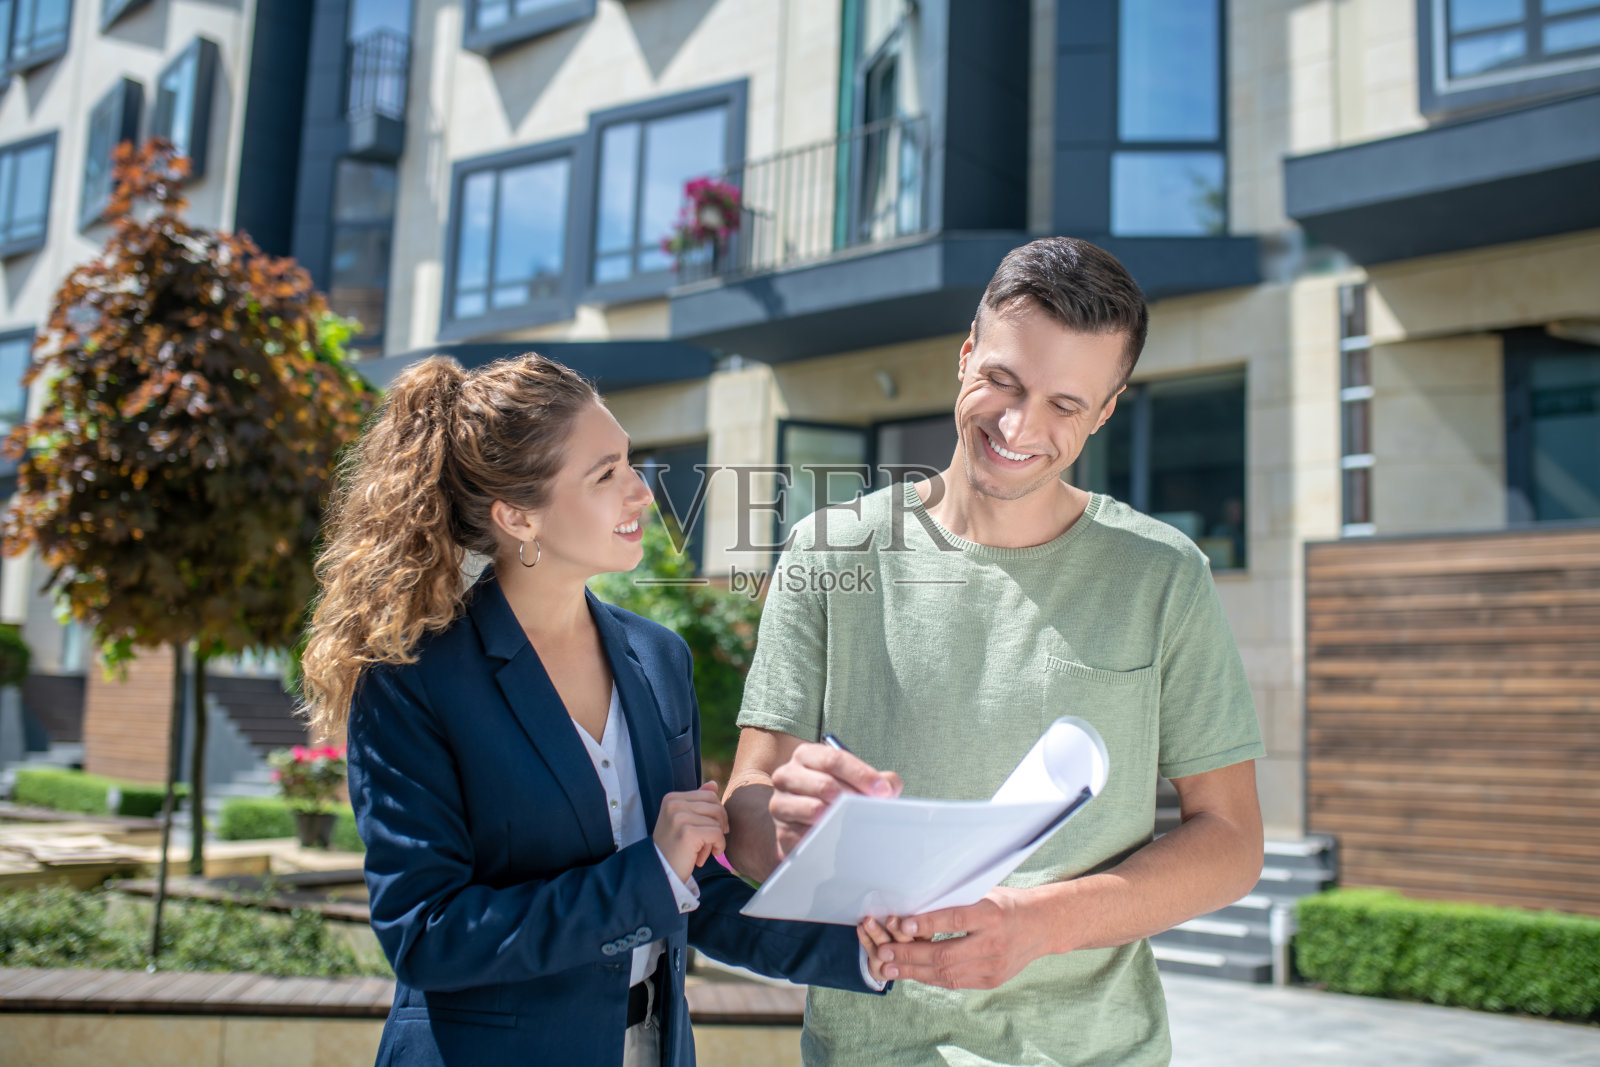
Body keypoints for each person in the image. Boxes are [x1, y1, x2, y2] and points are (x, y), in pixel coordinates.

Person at [723, 237, 1267, 1066]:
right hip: (872, 1050)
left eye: (1065, 404)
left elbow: (1231, 838)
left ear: (1107, 409)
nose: (1019, 427)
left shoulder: (1164, 574)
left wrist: (1041, 923)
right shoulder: (829, 550)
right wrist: (790, 829)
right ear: (965, 354)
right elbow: (747, 806)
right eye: (1002, 381)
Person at [300, 354, 888, 1067]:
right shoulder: (413, 679)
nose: (641, 490)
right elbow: (427, 934)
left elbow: (692, 887)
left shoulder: (659, 658)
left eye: (629, 462)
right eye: (605, 474)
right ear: (518, 515)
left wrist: (864, 947)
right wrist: (650, 873)